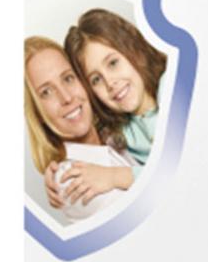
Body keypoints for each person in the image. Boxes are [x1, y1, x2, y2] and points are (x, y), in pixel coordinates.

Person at [23, 36, 133, 222]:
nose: (66, 97)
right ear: (37, 113)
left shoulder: (113, 130)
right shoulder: (70, 181)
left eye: (68, 78)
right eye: (46, 92)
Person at [64, 9, 168, 168]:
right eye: (96, 79)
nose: (109, 83)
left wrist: (119, 176)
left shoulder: (171, 87)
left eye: (113, 63)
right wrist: (56, 165)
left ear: (135, 49)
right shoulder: (121, 136)